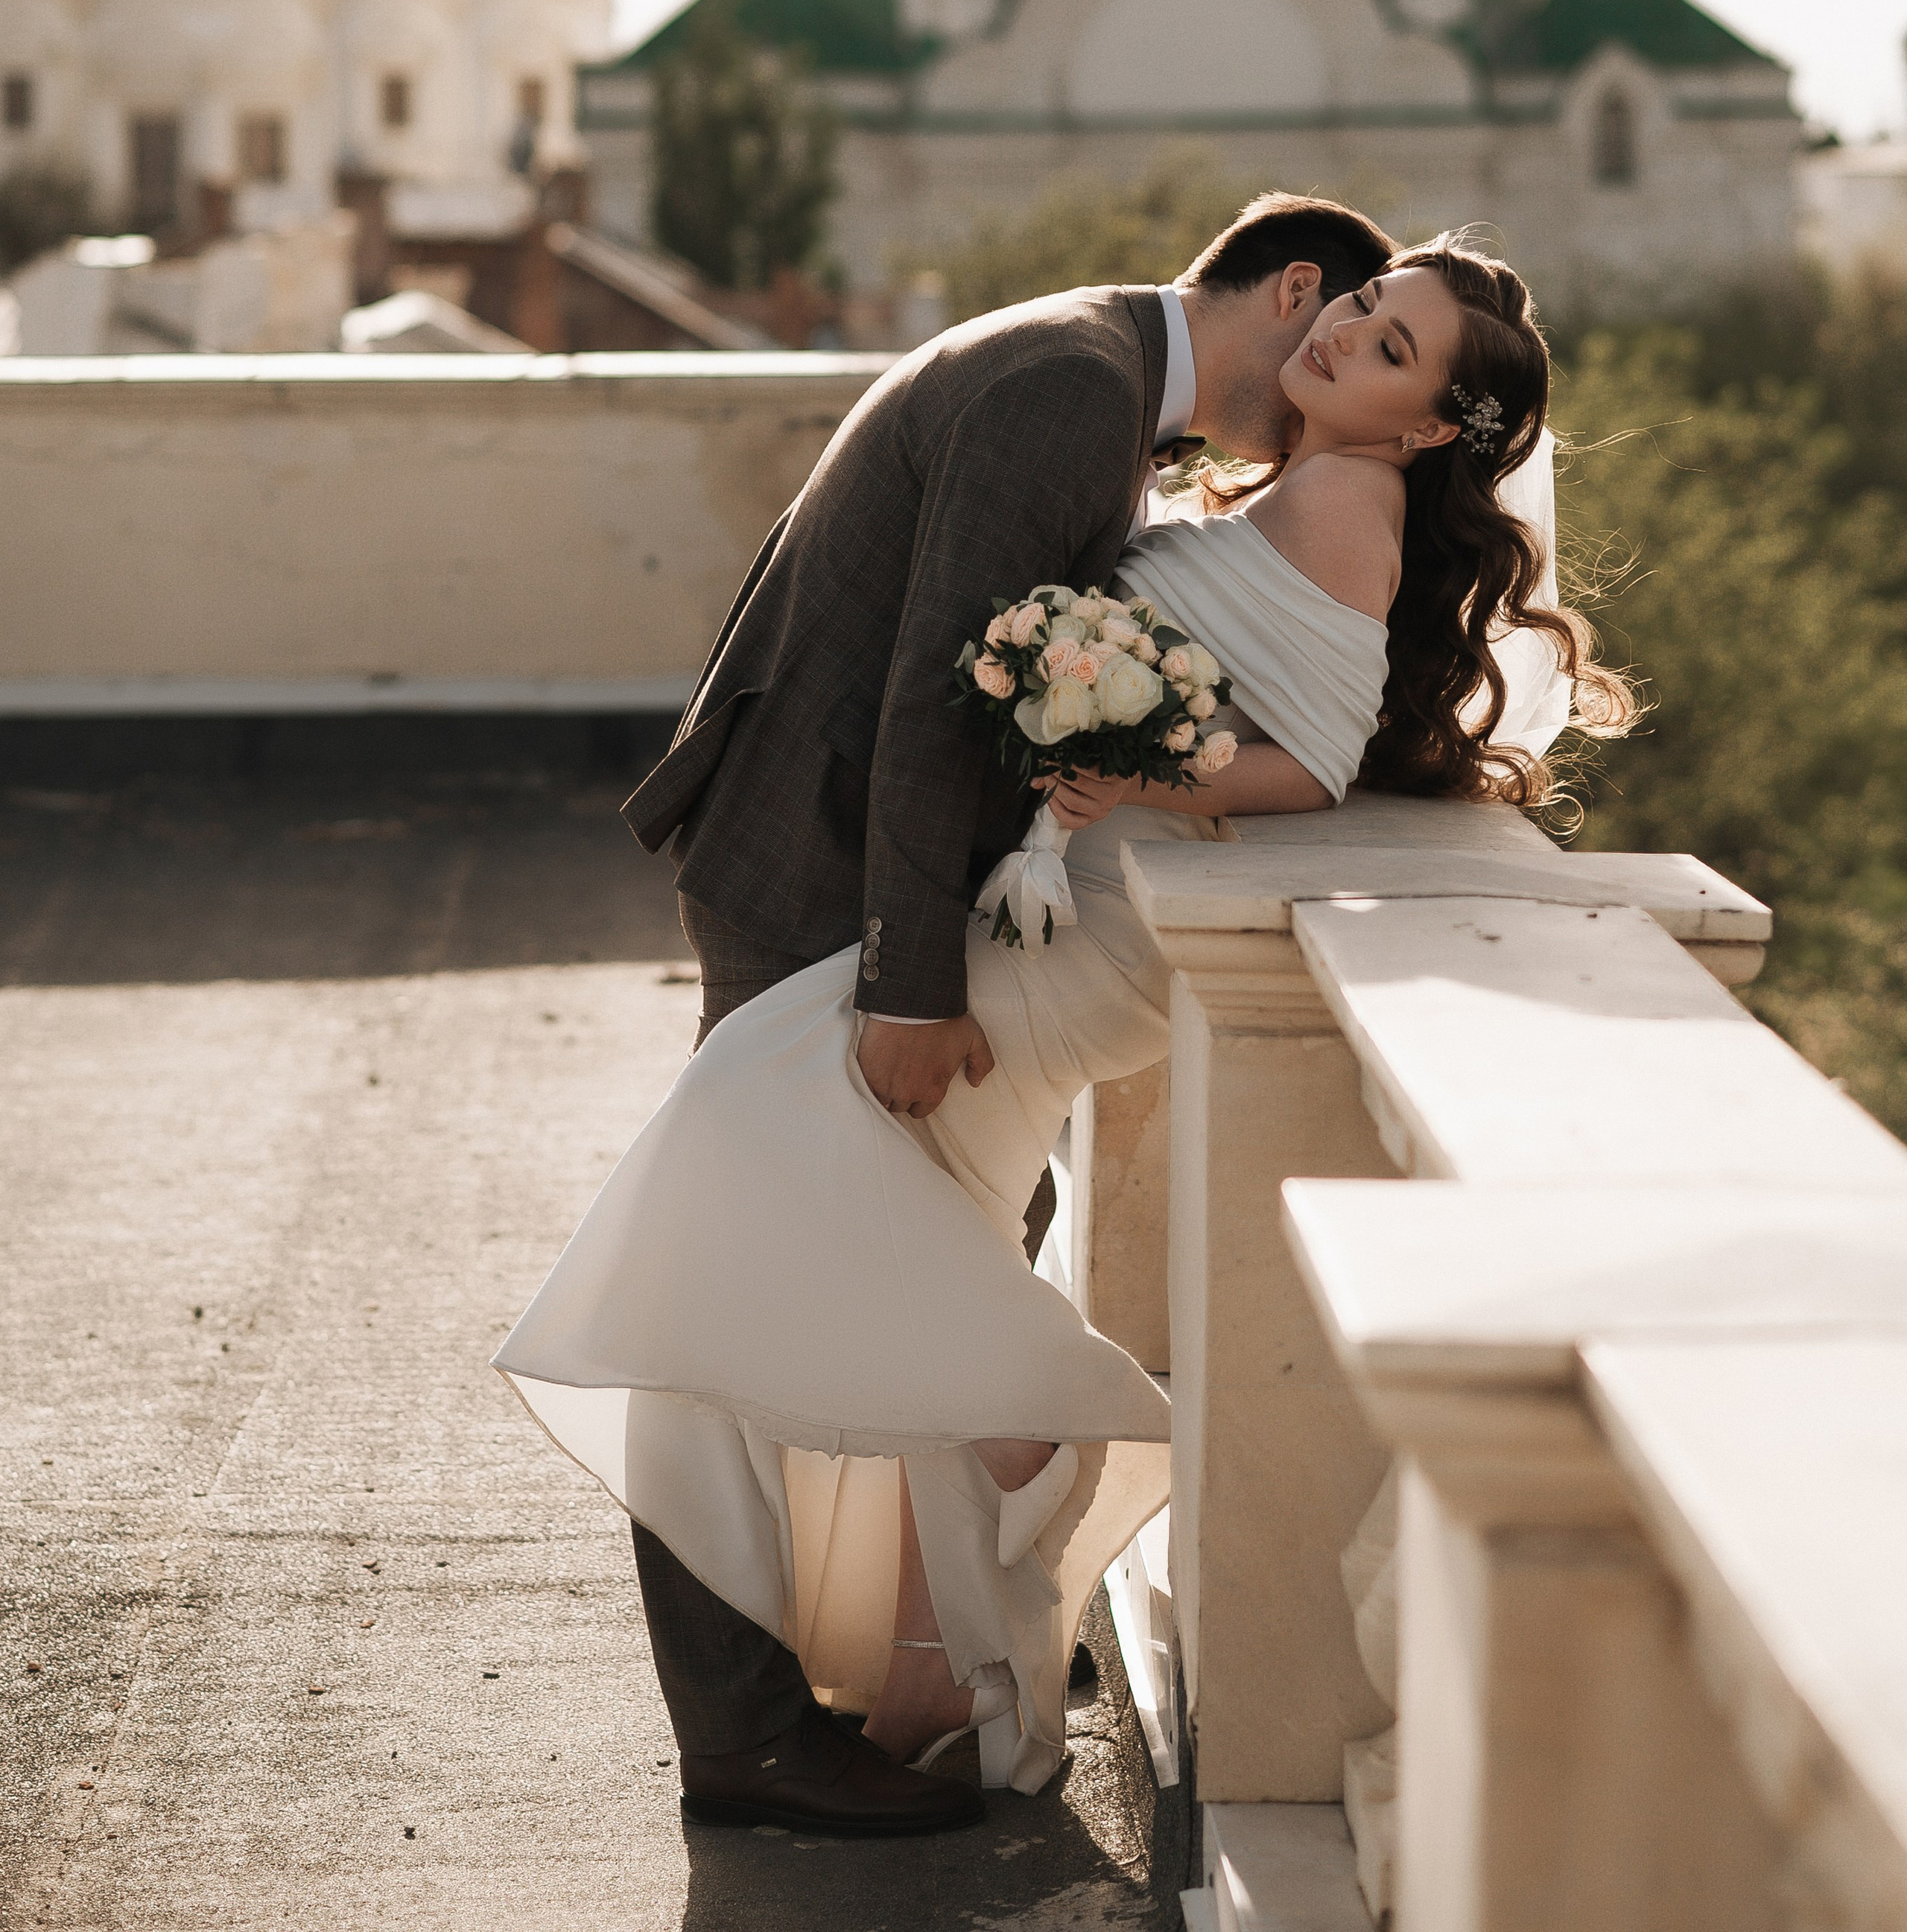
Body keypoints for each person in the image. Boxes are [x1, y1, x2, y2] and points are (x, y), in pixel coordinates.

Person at [497, 227, 1629, 1833]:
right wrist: (912, 973)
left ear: (1433, 420)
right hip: (820, 865)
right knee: (753, 1256)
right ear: (1301, 291)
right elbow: (919, 686)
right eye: (1363, 313)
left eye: (1395, 346)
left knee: (801, 1247)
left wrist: (1121, 766)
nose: (1351, 345)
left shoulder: (1117, 388)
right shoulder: (1069, 386)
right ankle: (844, 1661)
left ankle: (953, 1593)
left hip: (939, 905)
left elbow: (1261, 723)